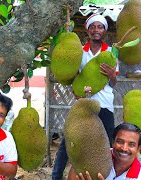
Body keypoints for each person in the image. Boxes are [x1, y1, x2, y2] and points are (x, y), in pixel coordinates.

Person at [52, 14, 118, 180]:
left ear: (104, 31)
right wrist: (76, 91)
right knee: (68, 142)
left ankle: (107, 176)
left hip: (104, 104)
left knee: (108, 143)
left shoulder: (111, 53)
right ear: (88, 30)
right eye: (92, 27)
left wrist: (112, 75)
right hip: (83, 105)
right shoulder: (80, 52)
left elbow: (113, 83)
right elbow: (76, 79)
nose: (96, 30)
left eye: (100, 27)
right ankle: (56, 176)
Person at [67, 122, 141, 180]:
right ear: (113, 142)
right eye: (120, 142)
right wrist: (78, 162)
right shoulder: (98, 156)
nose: (124, 148)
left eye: (131, 144)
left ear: (138, 148)